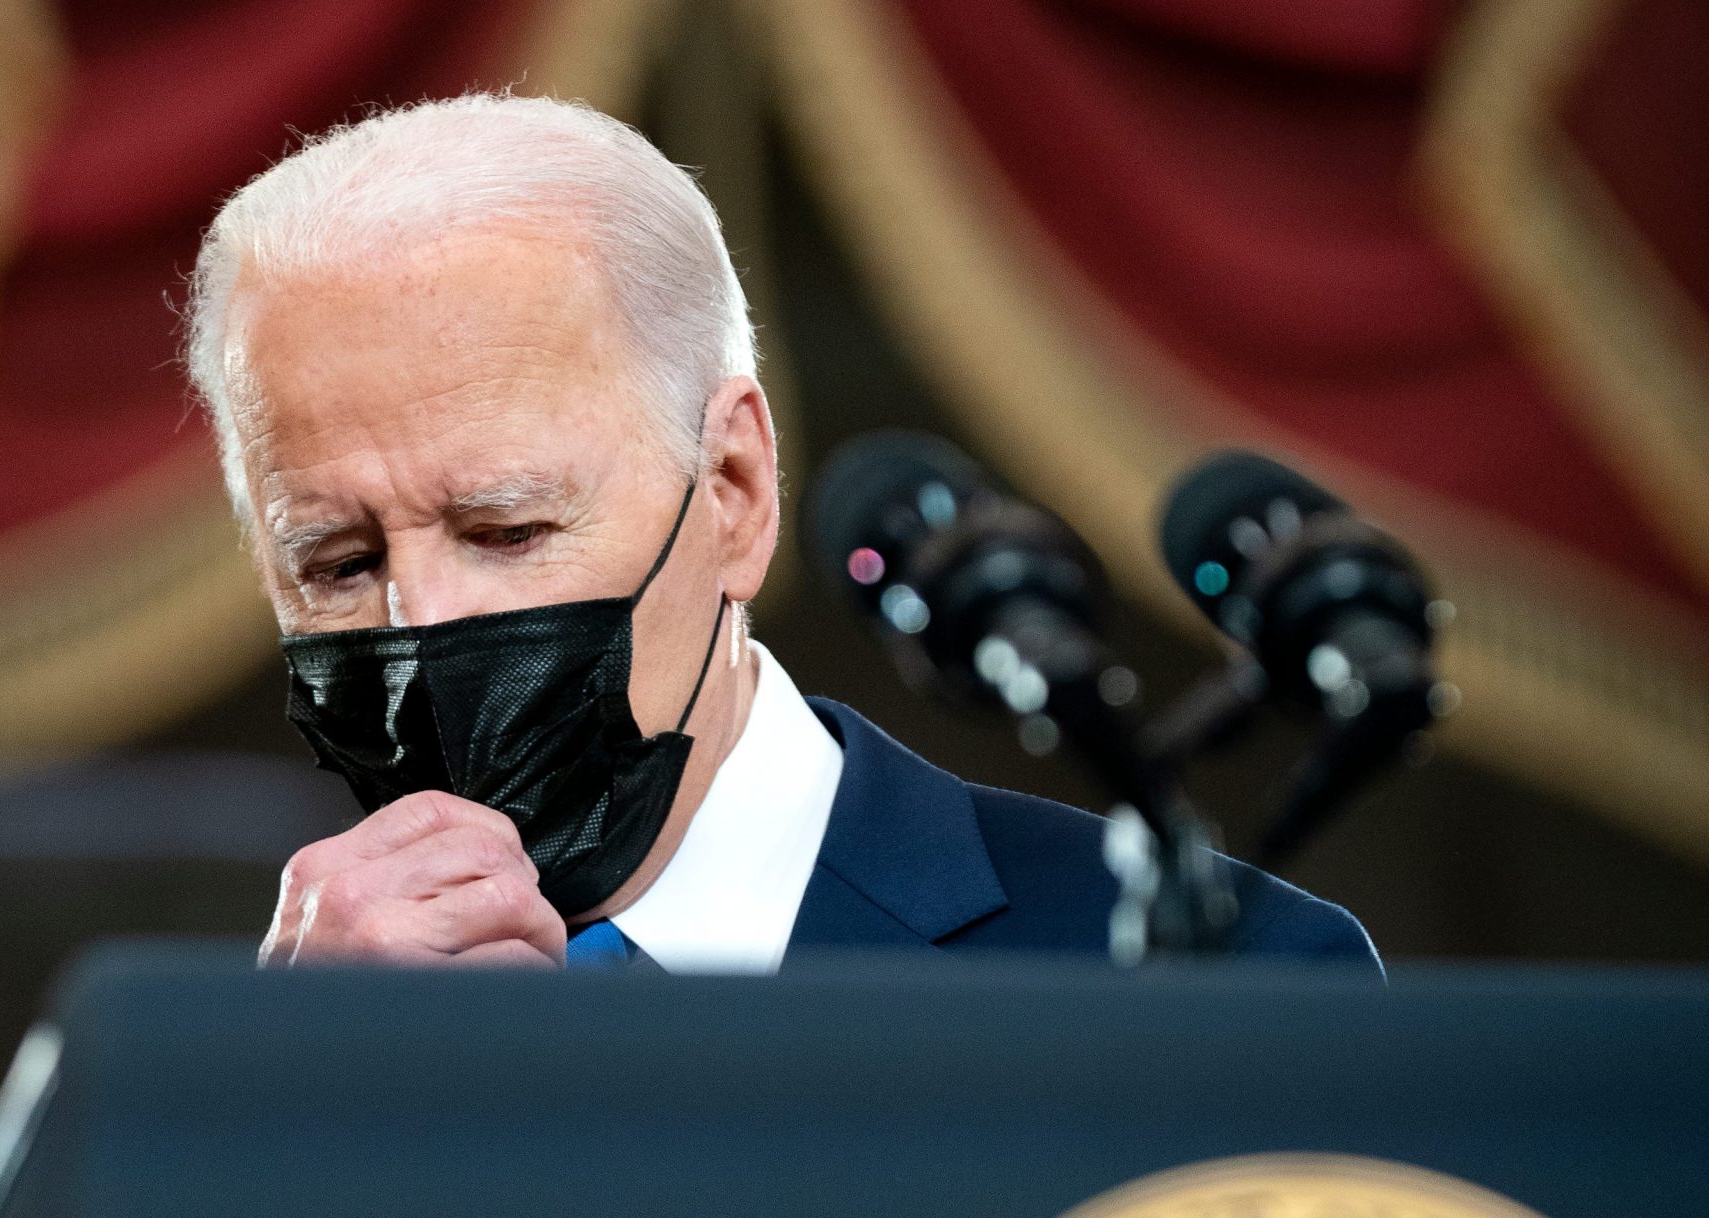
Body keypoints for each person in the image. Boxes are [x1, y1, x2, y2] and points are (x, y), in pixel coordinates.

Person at [185, 94, 1376, 974]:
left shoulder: (1216, 980)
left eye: (505, 529)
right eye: (339, 564)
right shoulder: (207, 1094)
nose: (423, 622)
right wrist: (293, 1117)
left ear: (735, 488)